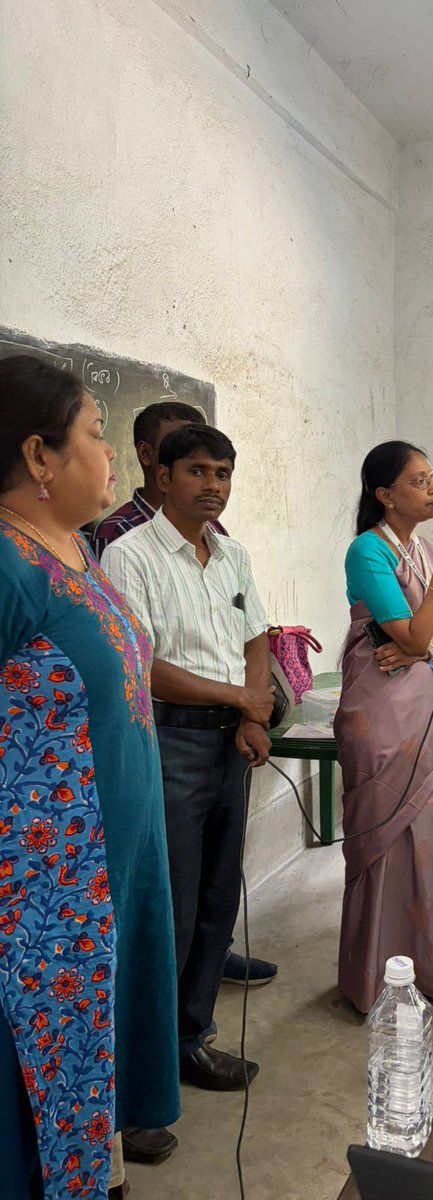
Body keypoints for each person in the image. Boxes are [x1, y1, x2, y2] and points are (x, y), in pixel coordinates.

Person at [0, 355, 179, 1199]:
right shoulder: (7, 566)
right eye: (97, 436)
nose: (112, 459)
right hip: (45, 895)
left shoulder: (70, 548)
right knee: (39, 1082)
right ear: (40, 458)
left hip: (108, 871)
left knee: (96, 1064)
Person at [93, 406, 275, 1168]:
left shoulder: (230, 558)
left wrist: (254, 710)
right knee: (159, 910)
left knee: (213, 903)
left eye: (223, 474)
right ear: (161, 477)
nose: (212, 486)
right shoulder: (129, 556)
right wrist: (238, 699)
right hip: (163, 740)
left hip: (229, 744)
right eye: (197, 472)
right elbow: (141, 663)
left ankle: (189, 1040)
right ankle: (135, 1085)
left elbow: (256, 639)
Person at [335, 441, 433, 1013]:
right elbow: (417, 635)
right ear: (384, 494)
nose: (432, 488)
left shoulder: (421, 549)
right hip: (381, 716)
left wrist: (418, 651)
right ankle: (380, 978)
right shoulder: (367, 552)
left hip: (430, 710)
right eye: (419, 480)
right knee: (387, 842)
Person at [89, 400, 228, 561]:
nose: (194, 458)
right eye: (178, 446)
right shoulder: (116, 533)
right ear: (145, 453)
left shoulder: (213, 528)